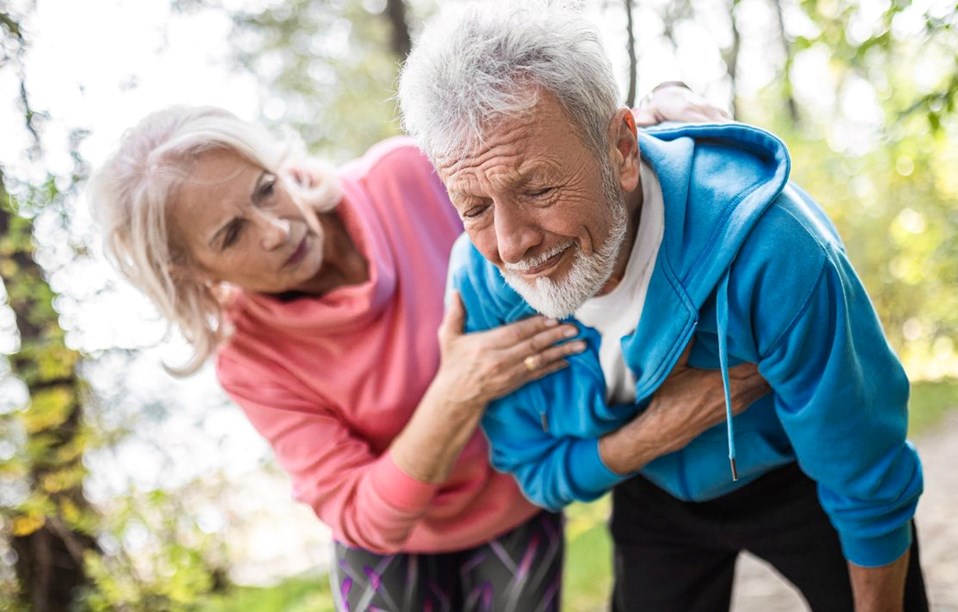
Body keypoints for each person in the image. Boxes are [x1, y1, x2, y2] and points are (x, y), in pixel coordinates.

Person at [87, 89, 758, 609]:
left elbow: (551, 170)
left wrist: (661, 105)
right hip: (391, 538)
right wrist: (457, 390)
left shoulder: (406, 176)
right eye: (231, 234)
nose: (276, 228)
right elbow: (357, 511)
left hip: (511, 498)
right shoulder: (249, 358)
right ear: (191, 272)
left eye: (266, 188)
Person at [397, 1, 930, 611]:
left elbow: (864, 475)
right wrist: (651, 435)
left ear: (622, 149)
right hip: (651, 488)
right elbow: (537, 473)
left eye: (538, 188)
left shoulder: (775, 247)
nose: (512, 244)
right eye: (474, 208)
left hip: (797, 473)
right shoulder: (483, 283)